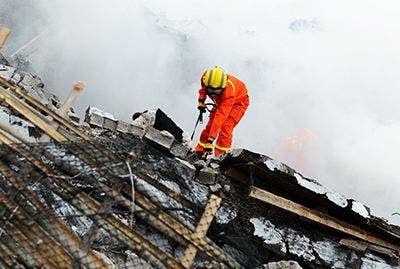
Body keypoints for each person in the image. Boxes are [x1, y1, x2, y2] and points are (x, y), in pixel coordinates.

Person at [194, 67, 250, 159]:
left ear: (222, 88)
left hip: (238, 103)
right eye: (210, 90)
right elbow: (203, 89)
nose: (212, 94)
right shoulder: (206, 78)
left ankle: (221, 158)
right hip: (220, 101)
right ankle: (200, 151)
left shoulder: (229, 94)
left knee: (225, 128)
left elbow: (220, 118)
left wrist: (210, 141)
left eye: (216, 91)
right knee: (210, 125)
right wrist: (201, 101)